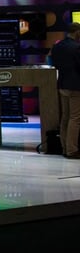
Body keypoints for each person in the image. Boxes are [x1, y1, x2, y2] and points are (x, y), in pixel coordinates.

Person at [50, 22, 80, 158]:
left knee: (65, 117)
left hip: (62, 84)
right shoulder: (77, 47)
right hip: (76, 86)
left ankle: (64, 148)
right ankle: (72, 150)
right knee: (75, 118)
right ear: (77, 32)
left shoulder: (57, 47)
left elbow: (54, 64)